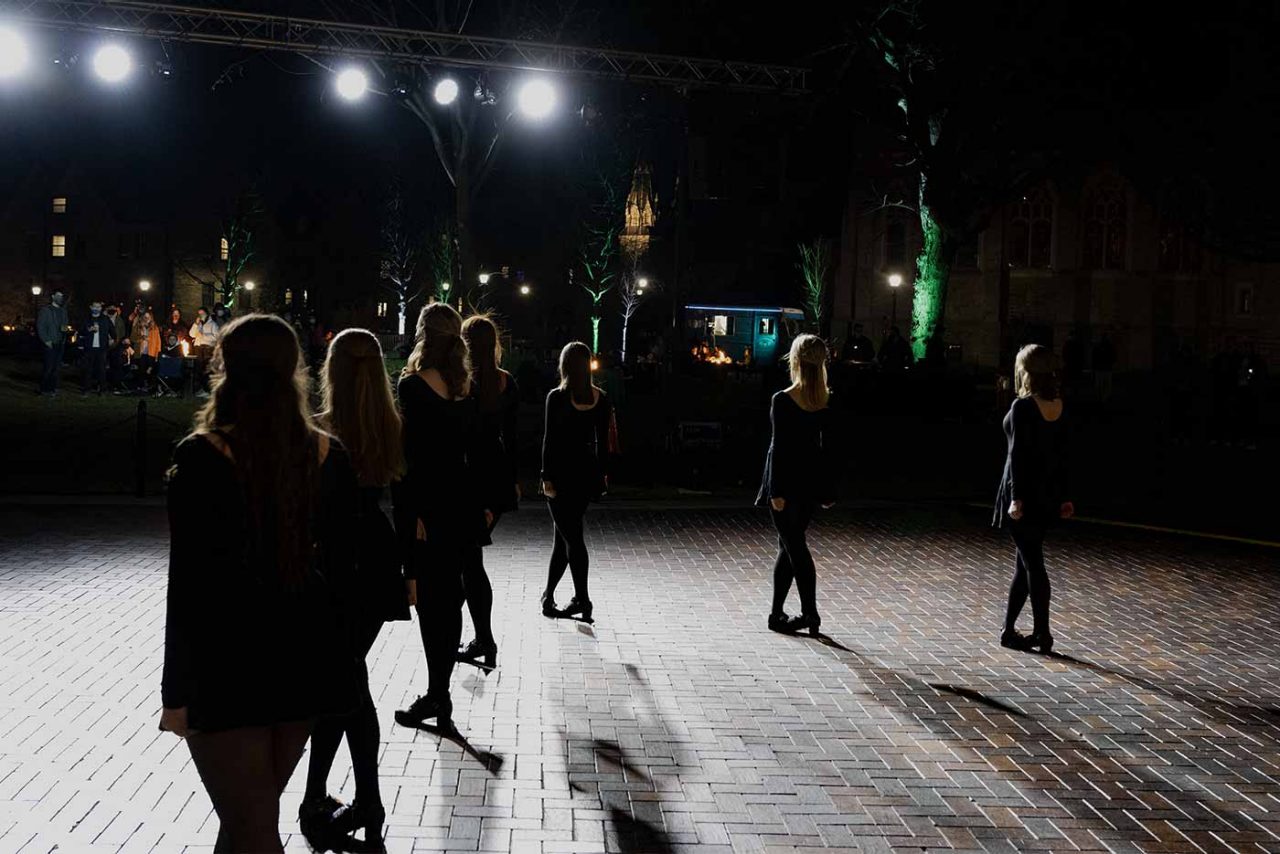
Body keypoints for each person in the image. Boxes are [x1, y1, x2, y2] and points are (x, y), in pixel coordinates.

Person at [159, 314, 361, 853]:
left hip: (228, 662)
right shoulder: (326, 455)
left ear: (226, 367)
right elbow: (343, 575)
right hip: (303, 658)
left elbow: (190, 588)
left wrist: (174, 693)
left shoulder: (202, 458)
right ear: (294, 369)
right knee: (249, 818)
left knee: (250, 827)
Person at [300, 329, 410, 852]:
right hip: (377, 554)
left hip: (338, 563)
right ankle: (346, 796)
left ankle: (341, 796)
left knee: (343, 686)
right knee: (346, 683)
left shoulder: (323, 431)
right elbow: (403, 500)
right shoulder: (388, 425)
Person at [393, 304, 486, 734]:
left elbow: (410, 460)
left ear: (423, 335)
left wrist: (409, 515)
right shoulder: (465, 387)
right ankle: (439, 692)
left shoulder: (412, 386)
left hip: (429, 507)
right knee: (452, 600)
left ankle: (437, 694)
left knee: (433, 605)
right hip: (463, 502)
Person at [993, 343, 1073, 654]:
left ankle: (1043, 632)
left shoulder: (1022, 408)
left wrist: (1015, 498)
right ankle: (1008, 629)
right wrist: (1065, 496)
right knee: (1024, 564)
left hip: (1023, 494)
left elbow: (1016, 457)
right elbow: (1063, 457)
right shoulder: (1059, 407)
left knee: (1033, 564)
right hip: (1046, 494)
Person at [757, 334, 836, 636]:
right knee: (788, 546)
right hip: (809, 484)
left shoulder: (783, 399)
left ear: (795, 361)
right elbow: (830, 451)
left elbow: (780, 448)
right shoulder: (825, 401)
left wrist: (775, 491)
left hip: (786, 483)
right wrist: (828, 490)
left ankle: (810, 613)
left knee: (795, 547)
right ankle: (776, 613)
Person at [457, 315, 520, 669]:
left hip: (469, 480)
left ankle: (483, 639)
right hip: (495, 480)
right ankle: (483, 638)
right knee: (471, 561)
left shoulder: (463, 384)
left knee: (467, 562)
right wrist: (512, 481)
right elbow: (510, 440)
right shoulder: (505, 382)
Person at [539, 342, 612, 622]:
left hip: (561, 473)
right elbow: (603, 443)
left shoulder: (556, 397)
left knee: (572, 539)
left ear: (565, 365)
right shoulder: (600, 398)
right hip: (586, 473)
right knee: (564, 538)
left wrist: (546, 476)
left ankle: (583, 598)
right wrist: (603, 475)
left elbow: (550, 440)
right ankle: (548, 596)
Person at [36, 289, 69, 396]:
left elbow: (65, 325)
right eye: (58, 296)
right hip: (50, 343)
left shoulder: (63, 311)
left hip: (60, 343)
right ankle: (44, 389)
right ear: (53, 296)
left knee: (56, 367)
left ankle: (53, 387)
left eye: (62, 296)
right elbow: (40, 326)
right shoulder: (46, 310)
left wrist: (65, 332)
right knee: (48, 367)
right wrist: (46, 340)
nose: (60, 298)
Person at [79, 302, 115, 395]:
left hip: (102, 348)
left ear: (101, 308)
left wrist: (112, 339)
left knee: (102, 369)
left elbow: (112, 331)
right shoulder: (86, 319)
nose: (96, 308)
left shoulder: (105, 319)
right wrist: (88, 330)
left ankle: (102, 389)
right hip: (89, 348)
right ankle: (87, 389)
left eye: (98, 307)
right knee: (88, 369)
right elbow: (80, 330)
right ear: (91, 307)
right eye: (95, 306)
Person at [190, 307, 221, 396]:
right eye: (199, 313)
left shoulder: (213, 324)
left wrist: (204, 336)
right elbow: (191, 334)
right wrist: (196, 324)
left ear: (207, 314)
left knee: (206, 369)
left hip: (207, 348)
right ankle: (200, 389)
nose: (200, 315)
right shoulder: (198, 324)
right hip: (198, 348)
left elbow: (217, 337)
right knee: (199, 369)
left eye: (202, 313)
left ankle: (207, 390)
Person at [133, 309, 162, 393]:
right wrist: (142, 338)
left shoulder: (154, 328)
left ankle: (150, 387)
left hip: (151, 352)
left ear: (151, 318)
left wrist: (157, 353)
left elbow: (158, 342)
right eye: (145, 317)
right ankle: (141, 386)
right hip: (141, 352)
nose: (147, 318)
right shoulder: (139, 327)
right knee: (141, 370)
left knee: (150, 371)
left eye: (148, 317)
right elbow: (134, 338)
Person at [1091, 332, 1116, 403]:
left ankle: (1100, 398)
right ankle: (1105, 398)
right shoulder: (1110, 346)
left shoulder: (1098, 346)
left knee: (1099, 385)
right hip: (1107, 368)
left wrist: (1094, 367)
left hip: (1099, 368)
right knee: (1106, 385)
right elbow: (1113, 357)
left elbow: (1094, 358)